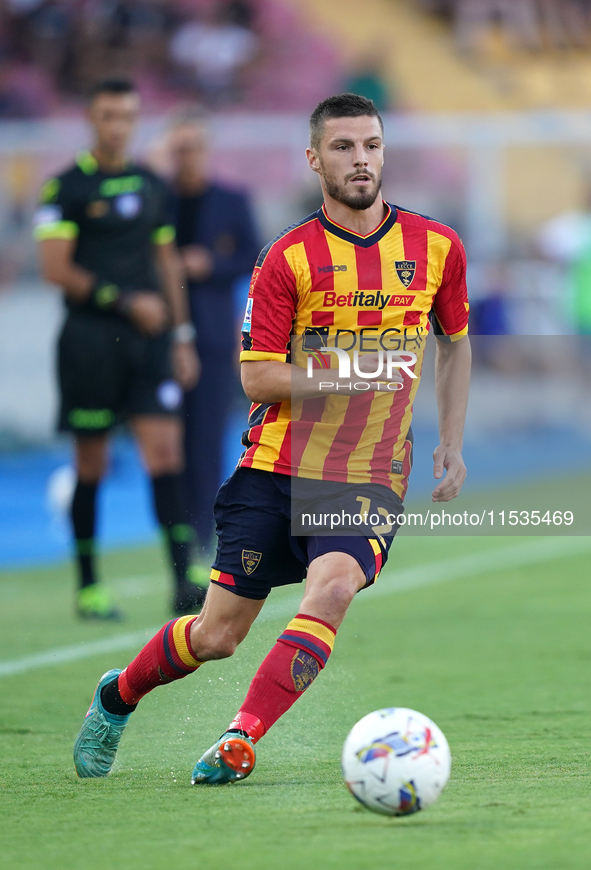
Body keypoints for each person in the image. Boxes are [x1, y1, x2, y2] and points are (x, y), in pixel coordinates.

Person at [72, 93, 471, 783]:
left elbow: (455, 344)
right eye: (344, 148)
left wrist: (451, 441)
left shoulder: (436, 246)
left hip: (367, 472)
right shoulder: (286, 257)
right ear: (314, 159)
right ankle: (118, 695)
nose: (361, 160)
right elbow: (256, 379)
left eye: (371, 145)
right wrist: (353, 372)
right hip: (275, 467)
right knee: (215, 635)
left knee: (334, 586)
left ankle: (240, 738)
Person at [35, 76, 204, 620]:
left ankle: (182, 580)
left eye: (127, 116)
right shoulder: (63, 190)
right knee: (92, 463)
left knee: (166, 453)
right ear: (91, 118)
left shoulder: (152, 185)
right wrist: (126, 301)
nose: (118, 126)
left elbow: (166, 262)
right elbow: (55, 268)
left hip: (151, 341)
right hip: (89, 342)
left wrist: (182, 335)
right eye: (108, 115)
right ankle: (88, 587)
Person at [167, 111, 260, 568]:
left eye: (193, 147)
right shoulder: (158, 199)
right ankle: (173, 536)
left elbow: (255, 255)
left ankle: (201, 537)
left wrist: (211, 265)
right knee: (165, 443)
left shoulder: (230, 200)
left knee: (204, 441)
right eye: (178, 147)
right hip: (158, 338)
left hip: (212, 335)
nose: (186, 157)